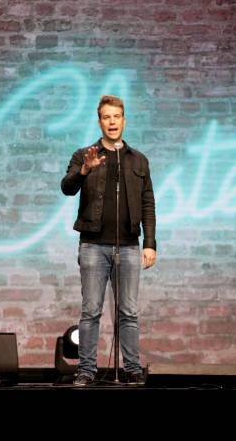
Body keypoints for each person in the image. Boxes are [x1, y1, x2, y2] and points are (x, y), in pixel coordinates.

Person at [61, 95, 156, 386]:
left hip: (128, 245)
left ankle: (131, 368)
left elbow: (148, 202)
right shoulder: (83, 155)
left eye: (117, 116)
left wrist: (150, 242)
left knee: (128, 311)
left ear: (124, 120)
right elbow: (67, 188)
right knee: (91, 311)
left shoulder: (138, 159)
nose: (112, 122)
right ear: (99, 121)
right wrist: (85, 169)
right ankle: (86, 370)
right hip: (93, 245)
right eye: (106, 117)